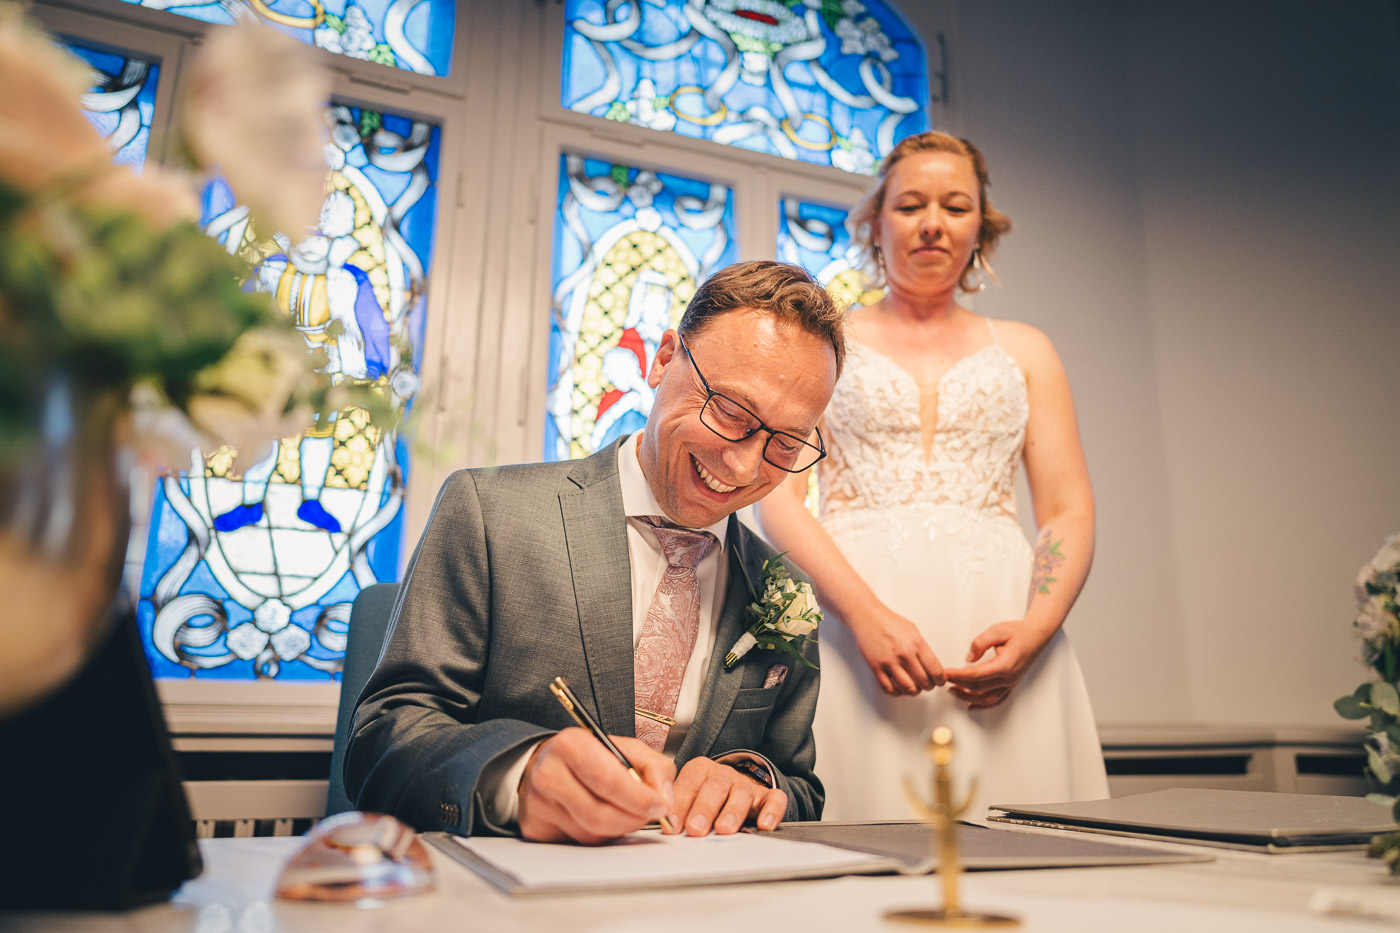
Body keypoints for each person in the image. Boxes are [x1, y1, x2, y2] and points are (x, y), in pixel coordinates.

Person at [346, 260, 843, 843]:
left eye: (785, 443)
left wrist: (754, 782)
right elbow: (382, 742)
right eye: (730, 412)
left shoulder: (786, 592)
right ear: (663, 360)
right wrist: (519, 777)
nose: (742, 465)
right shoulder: (488, 513)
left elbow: (800, 788)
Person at [755, 132, 1108, 820]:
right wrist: (865, 616)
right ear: (875, 223)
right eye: (911, 204)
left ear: (981, 229)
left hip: (1003, 623)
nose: (932, 223)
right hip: (852, 624)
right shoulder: (826, 344)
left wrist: (1036, 629)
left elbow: (1067, 510)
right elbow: (781, 498)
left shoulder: (1028, 350)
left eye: (956, 206)